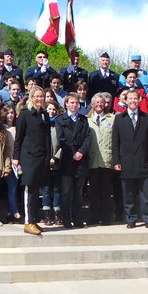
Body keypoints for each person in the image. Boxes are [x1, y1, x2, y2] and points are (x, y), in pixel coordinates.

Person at [112, 90, 148, 230]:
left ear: (139, 100)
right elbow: (115, 142)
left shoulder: (147, 118)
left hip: (143, 162)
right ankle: (131, 219)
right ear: (126, 101)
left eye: (135, 98)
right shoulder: (119, 118)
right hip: (125, 162)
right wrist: (116, 161)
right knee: (128, 194)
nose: (132, 101)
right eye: (130, 98)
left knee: (146, 195)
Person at [13, 86, 51, 235]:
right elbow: (19, 138)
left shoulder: (44, 115)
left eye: (42, 96)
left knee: (37, 190)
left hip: (41, 157)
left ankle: (34, 220)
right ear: (31, 97)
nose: (39, 99)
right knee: (29, 189)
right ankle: (28, 222)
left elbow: (47, 137)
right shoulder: (24, 114)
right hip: (28, 157)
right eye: (37, 96)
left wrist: (49, 156)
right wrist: (16, 157)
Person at [55, 93, 91, 228]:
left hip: (80, 160)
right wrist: (73, 153)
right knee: (66, 192)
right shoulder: (60, 120)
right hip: (67, 160)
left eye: (76, 103)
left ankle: (77, 219)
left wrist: (81, 152)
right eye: (72, 102)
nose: (74, 105)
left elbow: (88, 137)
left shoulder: (83, 119)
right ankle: (66, 220)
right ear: (66, 104)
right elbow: (61, 138)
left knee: (78, 193)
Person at [86, 92, 115, 225]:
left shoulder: (112, 119)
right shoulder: (87, 120)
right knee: (94, 191)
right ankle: (94, 216)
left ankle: (106, 217)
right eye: (96, 102)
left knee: (106, 191)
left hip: (107, 160)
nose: (99, 104)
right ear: (92, 104)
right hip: (92, 160)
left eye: (101, 102)